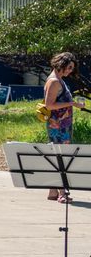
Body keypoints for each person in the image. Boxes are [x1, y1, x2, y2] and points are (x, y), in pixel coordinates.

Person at [42, 52, 80, 201]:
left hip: (60, 125)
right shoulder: (54, 81)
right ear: (61, 64)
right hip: (58, 127)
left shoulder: (58, 80)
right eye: (69, 67)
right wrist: (71, 103)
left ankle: (53, 191)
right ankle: (63, 193)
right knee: (61, 157)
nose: (70, 70)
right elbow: (49, 105)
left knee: (58, 156)